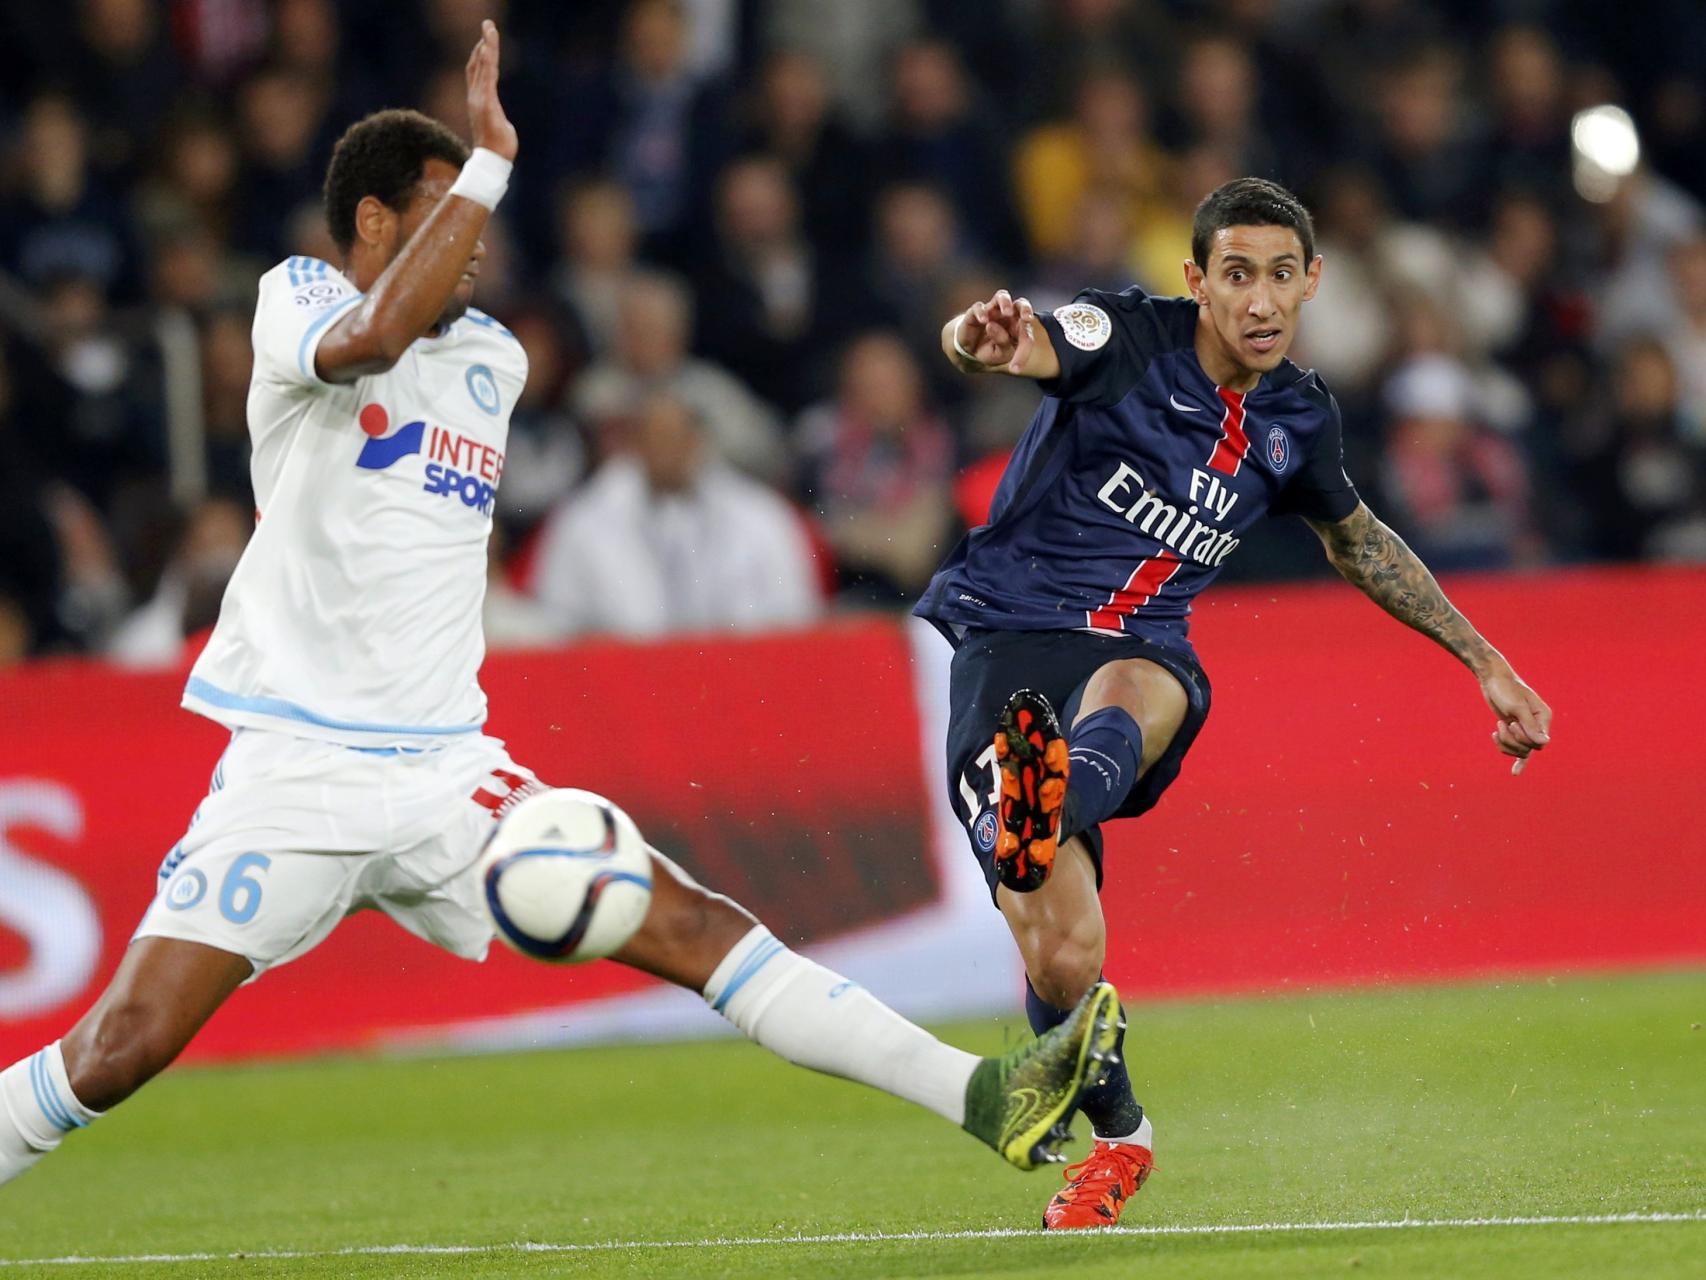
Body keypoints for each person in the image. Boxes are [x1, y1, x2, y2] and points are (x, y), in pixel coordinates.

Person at [0, 22, 1122, 1194]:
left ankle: (981, 1093)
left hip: (445, 770)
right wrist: (486, 161)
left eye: (477, 210)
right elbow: (374, 332)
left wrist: (471, 189)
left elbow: (424, 364)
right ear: (377, 222)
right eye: (447, 211)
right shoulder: (297, 301)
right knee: (116, 1051)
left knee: (690, 922)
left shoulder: (491, 358)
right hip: (295, 769)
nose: (478, 240)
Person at [916, 177, 1554, 1229]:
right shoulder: (1124, 333)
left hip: (1142, 648)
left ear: (1311, 281)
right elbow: (1016, 341)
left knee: (1134, 685)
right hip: (1008, 640)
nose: (1257, 300)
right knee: (1061, 953)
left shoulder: (1298, 418)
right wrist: (973, 336)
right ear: (1196, 281)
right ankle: (1122, 1135)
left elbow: (1358, 543)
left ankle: (1051, 789)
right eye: (1234, 275)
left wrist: (1483, 660)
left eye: (1277, 276)